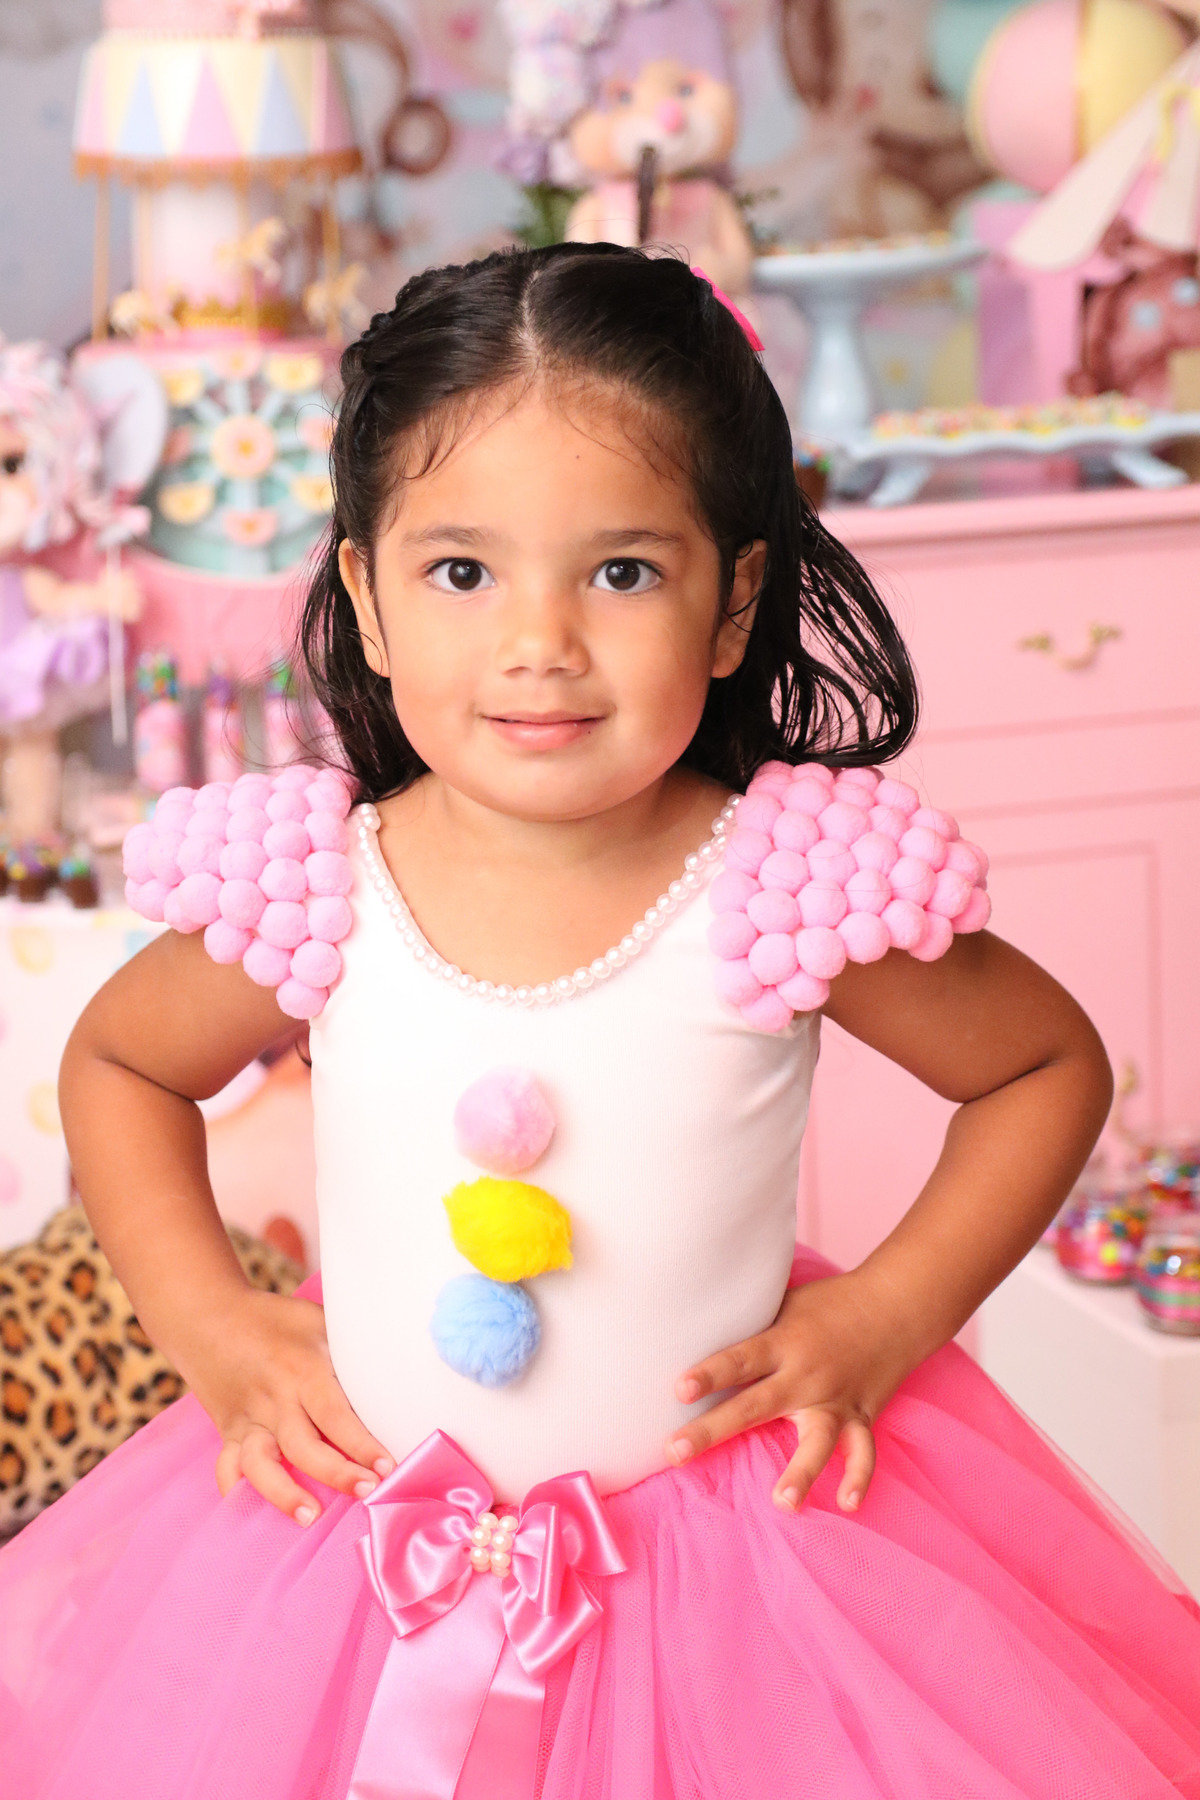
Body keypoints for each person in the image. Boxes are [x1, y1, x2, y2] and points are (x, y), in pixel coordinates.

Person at [1, 245, 1198, 1800]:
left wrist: (887, 1315)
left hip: (742, 1587)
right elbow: (118, 1063)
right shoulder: (319, 883)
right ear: (366, 599)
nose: (541, 642)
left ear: (731, 603)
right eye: (462, 573)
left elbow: (1042, 1065)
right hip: (356, 1556)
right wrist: (214, 1328)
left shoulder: (783, 879)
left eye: (621, 573)